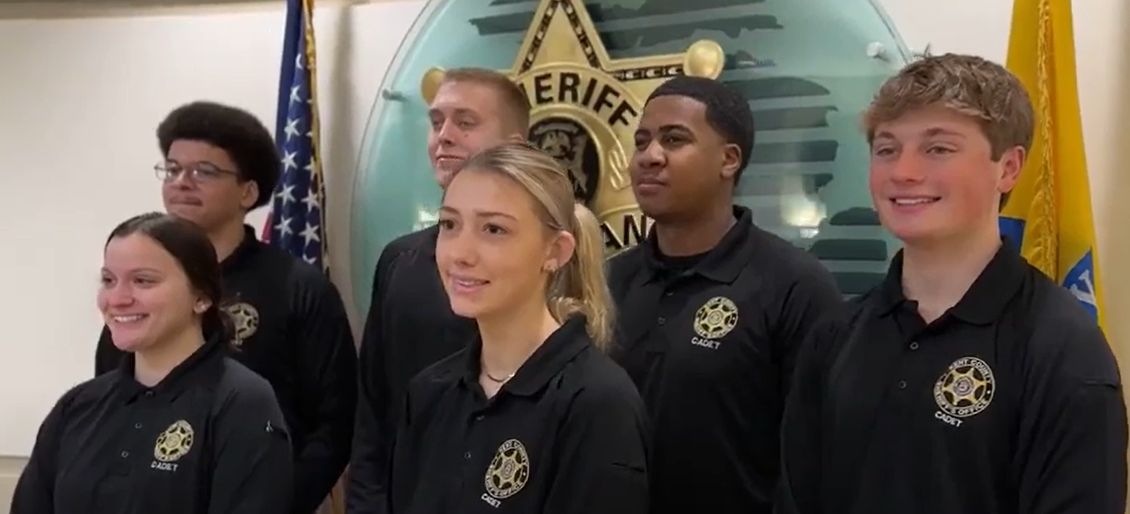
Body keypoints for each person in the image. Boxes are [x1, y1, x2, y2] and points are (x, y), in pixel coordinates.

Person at [776, 54, 1128, 514]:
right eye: (886, 149)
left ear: (1009, 168)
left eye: (937, 148)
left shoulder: (1062, 347)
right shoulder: (834, 337)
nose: (903, 172)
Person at [92, 101, 357, 514]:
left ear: (248, 192)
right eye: (173, 168)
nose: (181, 182)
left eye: (203, 172)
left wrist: (280, 502)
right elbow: (110, 399)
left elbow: (334, 421)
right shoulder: (137, 297)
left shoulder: (298, 288)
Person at [606, 76, 843, 514]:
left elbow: (817, 460)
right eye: (642, 142)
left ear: (729, 160)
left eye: (674, 140)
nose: (650, 157)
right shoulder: (609, 281)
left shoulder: (794, 286)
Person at [386, 141, 648, 514]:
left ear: (555, 251)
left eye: (493, 229)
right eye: (449, 224)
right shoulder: (430, 392)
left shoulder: (597, 403)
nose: (461, 253)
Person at [12, 212, 293, 514]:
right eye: (108, 280)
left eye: (143, 281)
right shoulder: (76, 407)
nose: (117, 299)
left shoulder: (240, 403)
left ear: (201, 297)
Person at [346, 68, 530, 514]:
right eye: (436, 122)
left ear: (515, 145)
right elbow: (373, 409)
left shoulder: (545, 262)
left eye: (465, 123)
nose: (444, 136)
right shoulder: (400, 261)